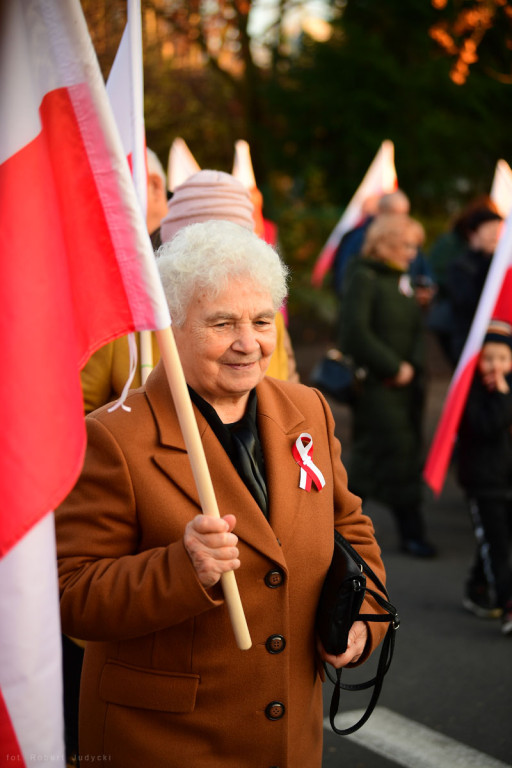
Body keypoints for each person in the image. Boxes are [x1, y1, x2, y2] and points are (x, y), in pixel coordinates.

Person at [55, 220, 388, 768]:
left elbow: (350, 528)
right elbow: (73, 597)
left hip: (288, 741)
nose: (248, 342)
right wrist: (181, 570)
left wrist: (363, 618)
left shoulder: (308, 408)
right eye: (222, 323)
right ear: (171, 326)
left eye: (262, 320)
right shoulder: (112, 437)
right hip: (165, 742)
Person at [81, 169, 299, 414]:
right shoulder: (122, 322)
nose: (248, 345)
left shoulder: (267, 319)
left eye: (242, 251)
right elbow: (77, 419)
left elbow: (288, 403)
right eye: (205, 251)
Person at [340, 213, 436, 558]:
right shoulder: (364, 276)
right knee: (393, 452)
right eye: (407, 245)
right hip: (381, 385)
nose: (412, 253)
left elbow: (406, 327)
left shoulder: (400, 278)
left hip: (406, 385)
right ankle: (412, 534)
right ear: (387, 242)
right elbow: (354, 332)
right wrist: (394, 367)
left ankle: (337, 526)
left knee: (381, 456)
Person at [457, 319, 512, 635]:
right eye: (488, 358)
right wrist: (502, 396)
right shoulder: (472, 393)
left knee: (496, 541)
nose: (496, 366)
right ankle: (508, 604)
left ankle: (477, 588)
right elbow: (487, 425)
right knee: (496, 544)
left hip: (506, 480)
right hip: (483, 481)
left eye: (502, 359)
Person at [445, 208, 503, 366]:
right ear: (473, 233)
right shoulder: (459, 266)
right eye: (489, 229)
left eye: (497, 229)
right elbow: (467, 302)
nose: (495, 235)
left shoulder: (500, 264)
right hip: (470, 343)